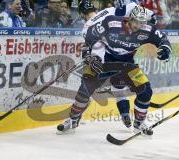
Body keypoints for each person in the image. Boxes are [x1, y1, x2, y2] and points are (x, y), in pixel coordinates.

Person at [57, 2, 172, 136]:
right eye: (135, 21)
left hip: (127, 64)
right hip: (106, 59)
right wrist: (88, 56)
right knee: (85, 89)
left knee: (146, 90)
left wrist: (165, 49)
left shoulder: (148, 30)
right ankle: (73, 119)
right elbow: (89, 37)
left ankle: (139, 123)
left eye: (142, 23)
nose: (137, 26)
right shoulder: (111, 23)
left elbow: (163, 40)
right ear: (129, 18)